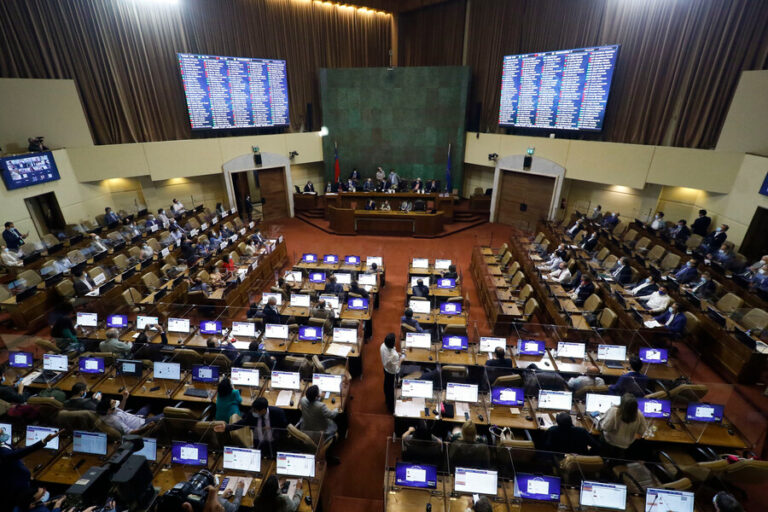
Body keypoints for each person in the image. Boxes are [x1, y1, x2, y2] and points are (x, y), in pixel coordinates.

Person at [1, 429, 60, 510]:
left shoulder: (4, 445)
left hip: (21, 481)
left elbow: (16, 454)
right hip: (15, 487)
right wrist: (44, 441)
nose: (3, 433)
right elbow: (21, 453)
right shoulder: (2, 452)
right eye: (1, 433)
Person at [214, 398, 288, 452]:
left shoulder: (278, 413)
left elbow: (284, 427)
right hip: (258, 444)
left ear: (263, 410)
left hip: (273, 443)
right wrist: (227, 427)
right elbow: (243, 422)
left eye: (255, 411)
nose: (253, 412)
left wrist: (271, 428)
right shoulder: (252, 414)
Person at [96, 389, 162, 435]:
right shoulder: (115, 420)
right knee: (164, 414)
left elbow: (120, 410)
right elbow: (130, 433)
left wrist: (124, 398)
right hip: (142, 424)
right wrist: (146, 428)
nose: (116, 402)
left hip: (136, 416)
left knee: (150, 404)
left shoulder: (107, 411)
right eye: (114, 403)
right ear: (109, 410)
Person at [380, 333, 405, 413]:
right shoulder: (394, 355)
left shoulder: (383, 345)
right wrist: (401, 360)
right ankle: (391, 408)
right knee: (391, 390)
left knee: (386, 385)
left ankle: (386, 400)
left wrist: (397, 353)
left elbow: (392, 351)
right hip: (392, 373)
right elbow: (396, 369)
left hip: (385, 369)